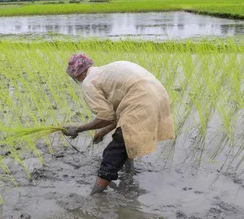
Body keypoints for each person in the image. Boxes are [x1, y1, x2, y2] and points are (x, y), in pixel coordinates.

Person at [63, 53, 175, 195]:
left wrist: (78, 129)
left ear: (78, 74)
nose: (75, 79)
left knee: (113, 152)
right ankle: (129, 176)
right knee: (128, 139)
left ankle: (95, 195)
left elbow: (107, 117)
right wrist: (102, 132)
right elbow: (117, 116)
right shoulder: (104, 72)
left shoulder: (88, 82)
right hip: (158, 93)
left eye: (74, 76)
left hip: (140, 98)